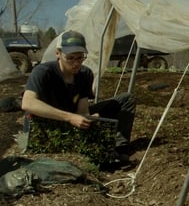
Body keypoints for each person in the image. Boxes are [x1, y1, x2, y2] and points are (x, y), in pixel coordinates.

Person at [21, 30, 136, 162]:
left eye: (80, 58)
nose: (76, 63)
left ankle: (119, 149)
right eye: (70, 58)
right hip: (46, 122)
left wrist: (88, 118)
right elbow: (28, 103)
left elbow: (82, 111)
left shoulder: (85, 74)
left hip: (71, 118)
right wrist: (69, 117)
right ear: (58, 53)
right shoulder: (43, 72)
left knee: (126, 99)